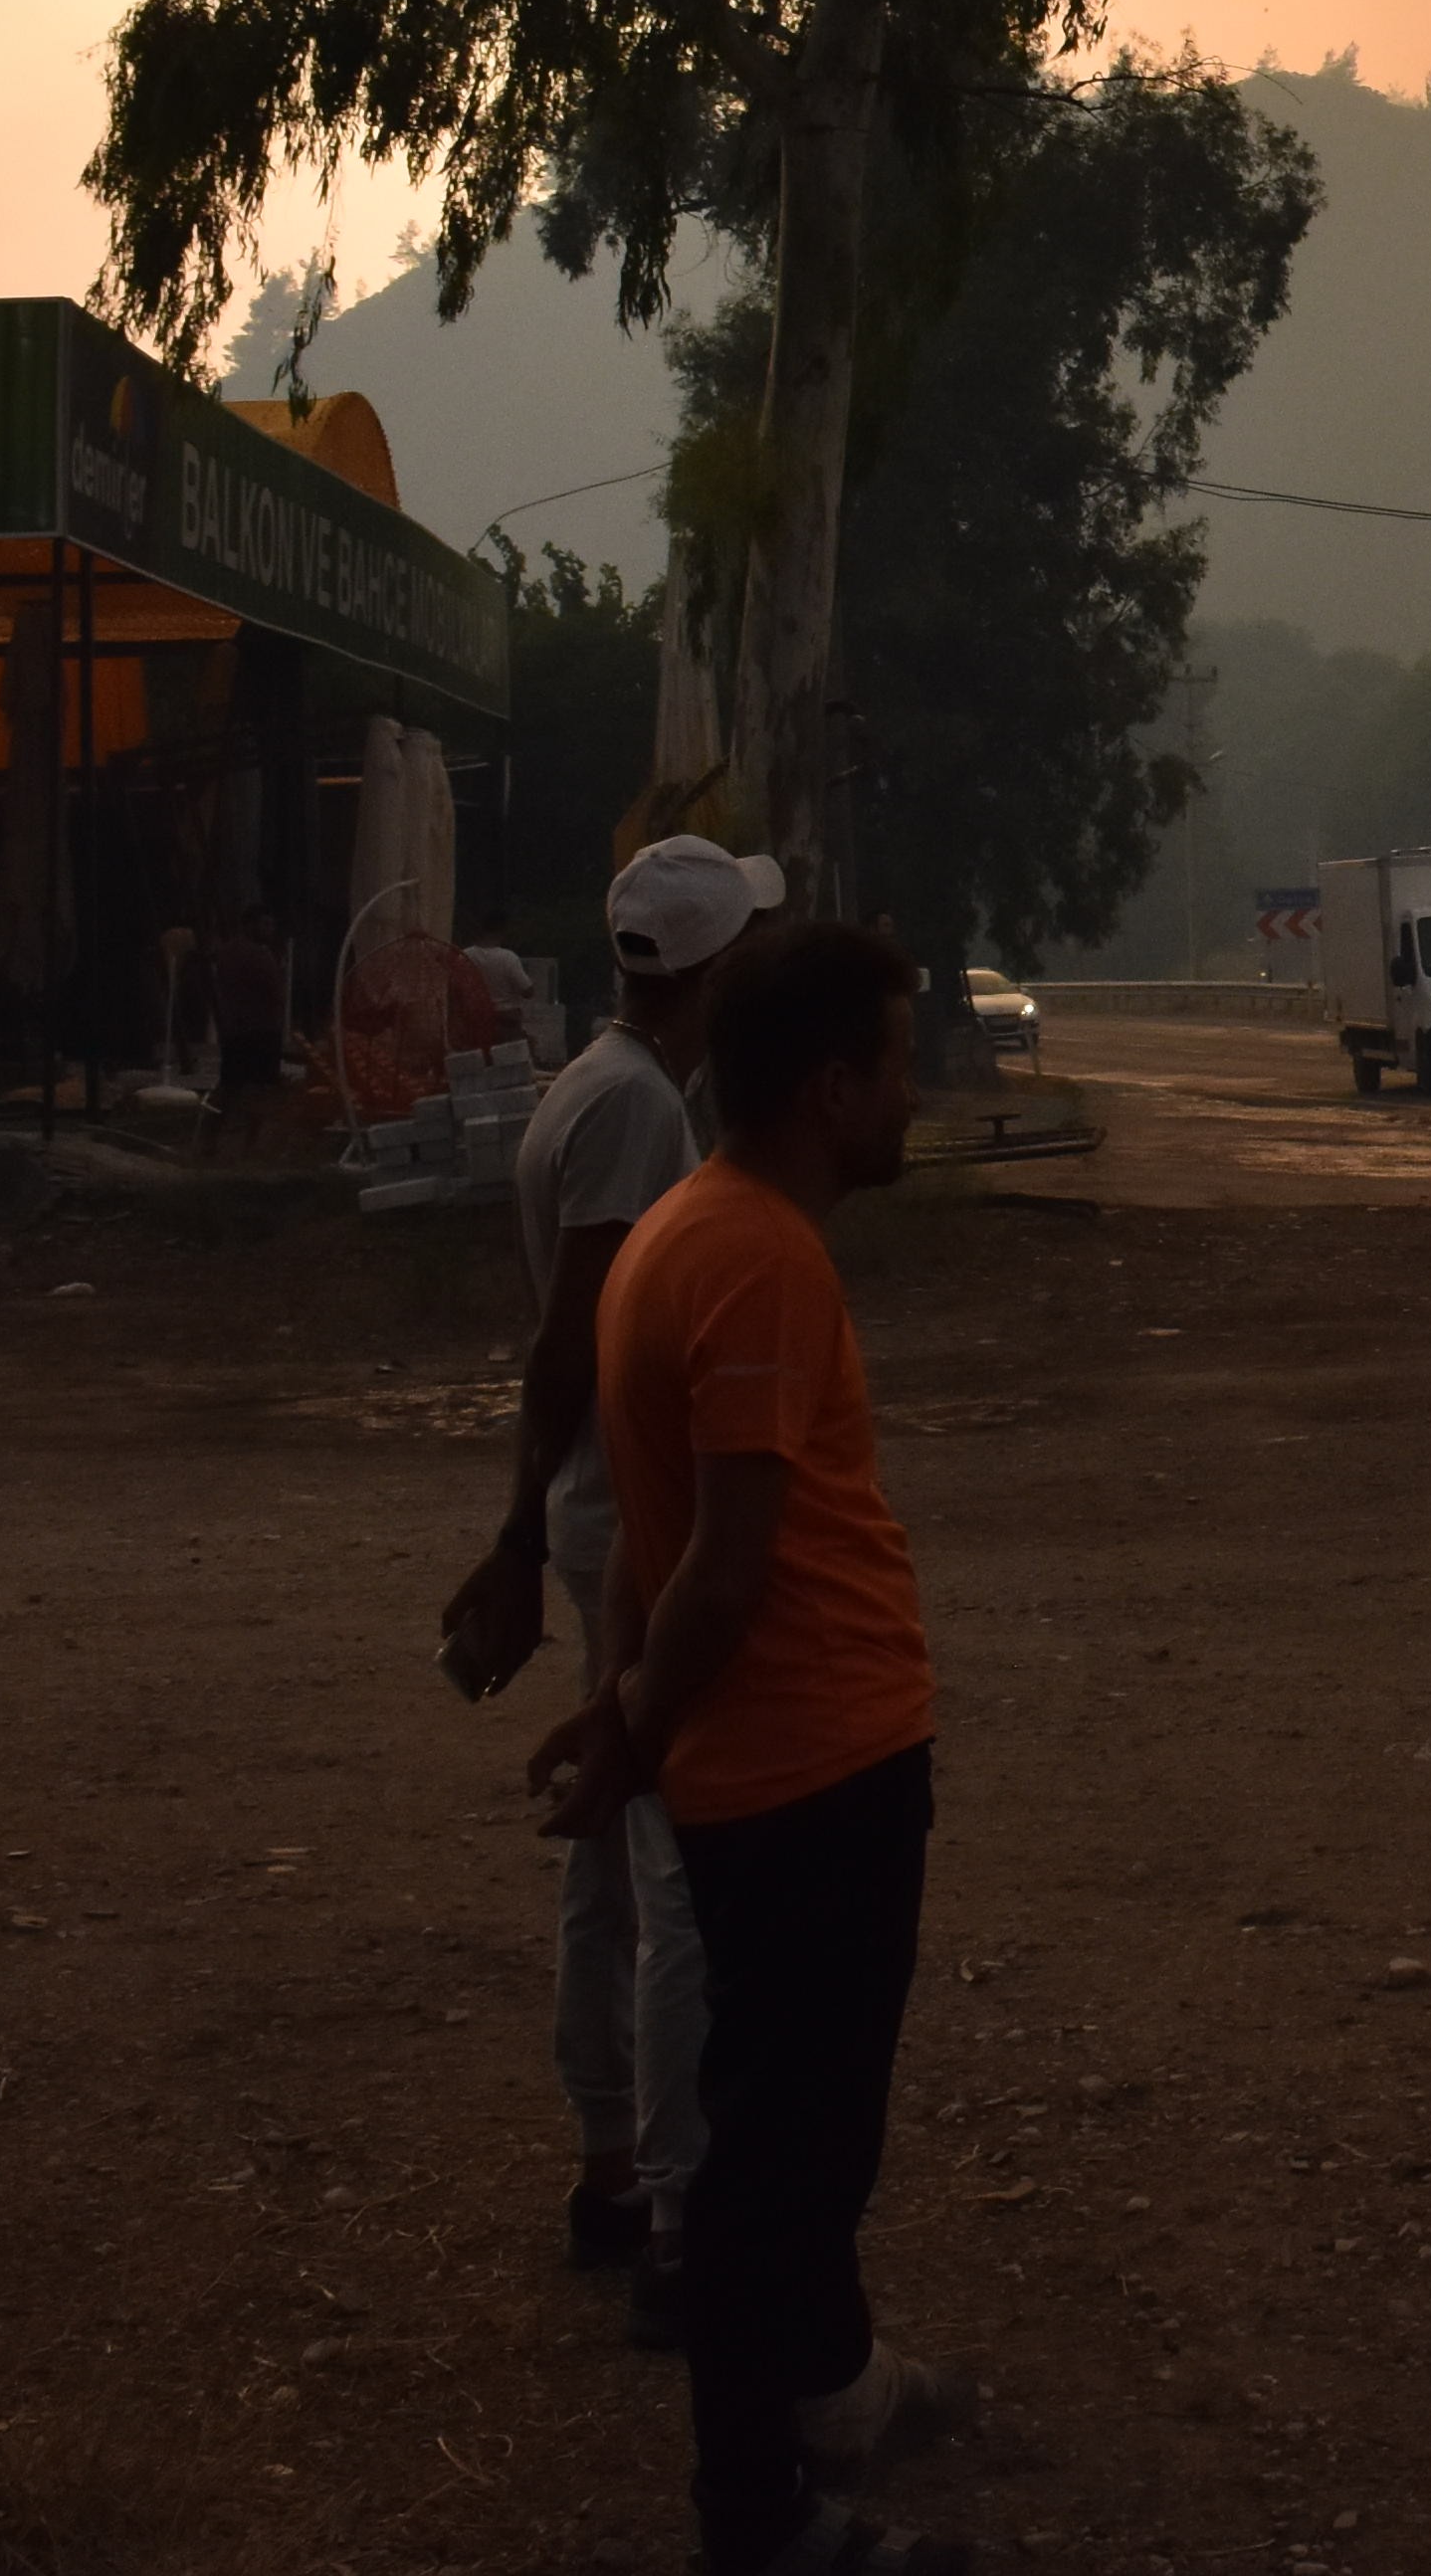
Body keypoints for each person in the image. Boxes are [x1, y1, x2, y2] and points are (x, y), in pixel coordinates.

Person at [531, 919, 980, 2576]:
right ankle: (758, 2513)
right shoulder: (757, 1261)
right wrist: (638, 1722)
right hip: (807, 1769)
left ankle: (824, 2393)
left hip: (788, 1757)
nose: (914, 1105)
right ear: (830, 1088)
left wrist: (624, 1701)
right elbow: (722, 1557)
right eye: (901, 1070)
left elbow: (659, 1536)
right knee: (780, 2155)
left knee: (801, 2136)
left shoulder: (688, 1233)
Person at [442, 834, 782, 2343]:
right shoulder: (642, 1115)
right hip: (620, 1514)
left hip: (586, 1506)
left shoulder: (592, 1085)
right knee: (668, 1868)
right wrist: (521, 1533)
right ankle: (673, 2210)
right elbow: (576, 1342)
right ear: (713, 971)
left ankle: (606, 2168)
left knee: (605, 1856)